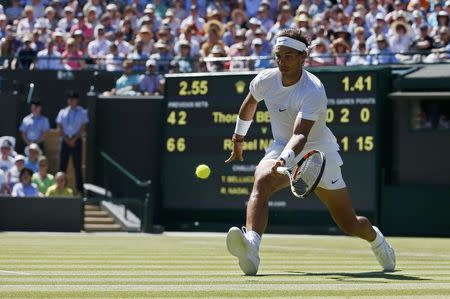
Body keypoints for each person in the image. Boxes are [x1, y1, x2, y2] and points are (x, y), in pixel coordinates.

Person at [224, 29, 396, 276]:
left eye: (289, 56)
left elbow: (301, 135)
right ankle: (251, 247)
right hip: (281, 145)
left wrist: (285, 159)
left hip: (320, 153)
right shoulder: (266, 79)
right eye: (278, 56)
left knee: (349, 224)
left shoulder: (313, 89)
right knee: (261, 179)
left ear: (304, 56)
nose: (282, 62)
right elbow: (249, 104)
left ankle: (377, 241)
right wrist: (238, 137)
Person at [56, 91, 88, 194]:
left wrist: (74, 139)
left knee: (77, 166)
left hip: (77, 140)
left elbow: (83, 127)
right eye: (69, 99)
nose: (71, 101)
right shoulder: (62, 112)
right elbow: (60, 127)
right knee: (62, 166)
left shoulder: (82, 112)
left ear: (77, 100)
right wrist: (66, 139)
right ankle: (60, 188)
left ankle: (80, 190)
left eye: (73, 99)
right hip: (65, 141)